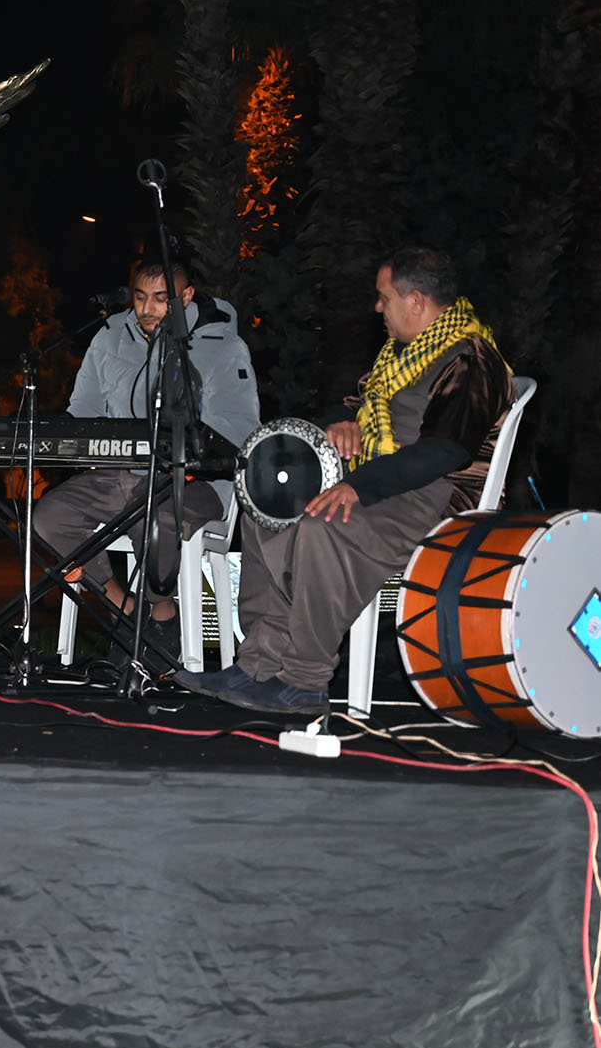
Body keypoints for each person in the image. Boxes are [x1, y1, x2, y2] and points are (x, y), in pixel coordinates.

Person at [177, 247, 513, 714]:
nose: (377, 307)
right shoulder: (402, 355)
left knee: (322, 525)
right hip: (385, 485)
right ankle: (258, 665)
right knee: (267, 506)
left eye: (384, 297)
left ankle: (304, 679)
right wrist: (342, 424)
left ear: (416, 301)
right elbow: (354, 404)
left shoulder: (470, 360)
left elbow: (445, 451)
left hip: (439, 499)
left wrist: (359, 486)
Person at [31, 258, 260, 654]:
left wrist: (184, 441)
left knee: (150, 514)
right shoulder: (109, 338)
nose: (147, 309)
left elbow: (241, 428)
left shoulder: (223, 346)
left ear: (186, 297)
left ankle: (164, 614)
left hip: (194, 483)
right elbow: (83, 411)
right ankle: (126, 609)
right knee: (48, 519)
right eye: (140, 298)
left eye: (160, 299)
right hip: (116, 475)